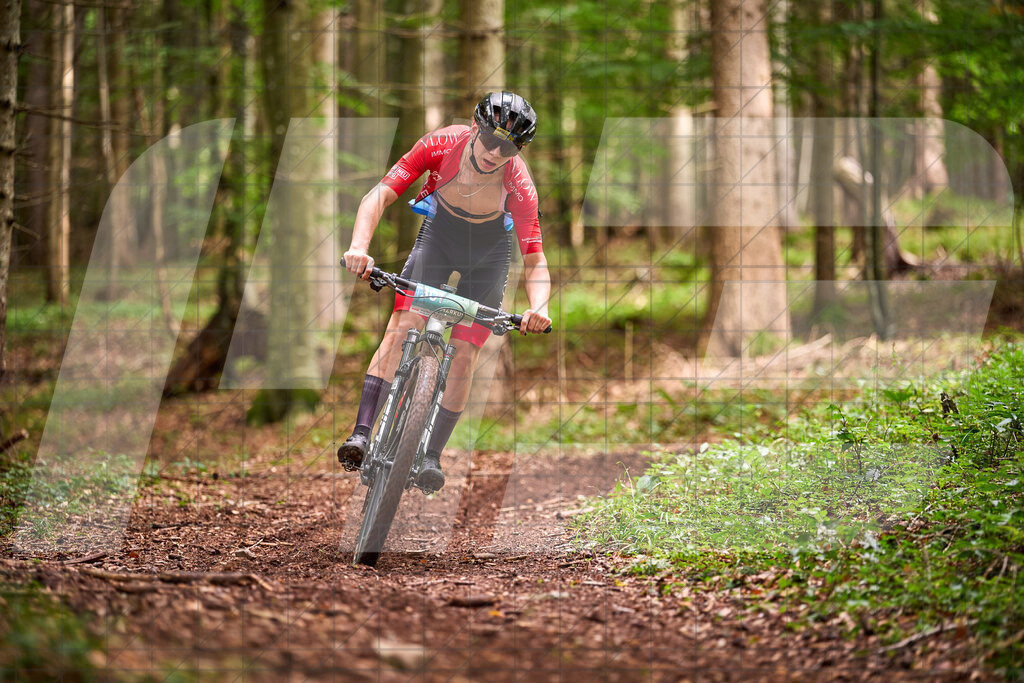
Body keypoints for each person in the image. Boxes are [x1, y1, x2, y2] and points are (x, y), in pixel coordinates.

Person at [338, 91, 552, 492]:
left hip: (489, 253)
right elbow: (380, 194)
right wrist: (358, 248)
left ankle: (431, 456)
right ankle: (362, 433)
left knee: (465, 353)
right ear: (475, 127)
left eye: (507, 147)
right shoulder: (440, 144)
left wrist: (539, 307)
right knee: (401, 327)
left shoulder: (519, 183)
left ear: (518, 150)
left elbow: (536, 260)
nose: (494, 151)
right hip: (439, 237)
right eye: (490, 139)